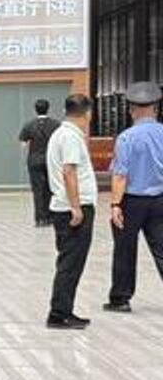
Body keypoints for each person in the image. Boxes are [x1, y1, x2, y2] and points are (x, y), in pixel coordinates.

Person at [105, 80, 163, 313]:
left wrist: (115, 204)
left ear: (131, 109)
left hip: (132, 201)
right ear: (156, 108)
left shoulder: (126, 138)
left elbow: (120, 175)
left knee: (125, 249)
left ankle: (120, 299)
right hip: (160, 199)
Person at [45, 92, 97, 329]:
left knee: (70, 262)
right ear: (87, 113)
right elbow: (69, 172)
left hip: (65, 206)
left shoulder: (61, 134)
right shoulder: (71, 137)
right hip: (72, 209)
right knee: (70, 263)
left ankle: (64, 310)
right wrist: (76, 207)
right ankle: (59, 314)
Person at [19, 98, 60, 227]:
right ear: (48, 108)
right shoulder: (56, 125)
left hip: (34, 160)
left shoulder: (29, 125)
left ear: (35, 109)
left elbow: (23, 144)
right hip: (50, 160)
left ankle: (39, 219)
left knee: (37, 189)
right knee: (50, 188)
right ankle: (50, 217)